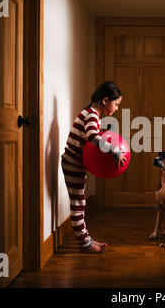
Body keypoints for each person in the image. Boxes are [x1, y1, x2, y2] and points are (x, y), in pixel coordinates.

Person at [61, 81, 127, 253]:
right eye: (116, 104)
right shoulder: (91, 115)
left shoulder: (90, 114)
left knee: (80, 203)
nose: (117, 108)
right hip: (73, 164)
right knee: (78, 204)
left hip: (76, 164)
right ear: (105, 101)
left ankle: (86, 239)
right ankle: (85, 244)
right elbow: (92, 137)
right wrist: (114, 150)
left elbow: (90, 135)